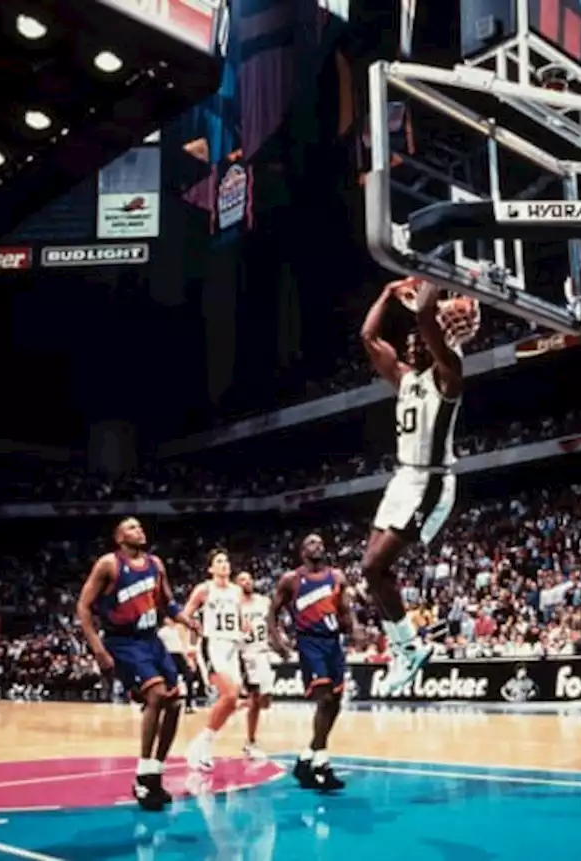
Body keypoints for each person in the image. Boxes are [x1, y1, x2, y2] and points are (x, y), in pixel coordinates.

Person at [358, 276, 478, 693]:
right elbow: (368, 335)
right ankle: (405, 648)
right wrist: (386, 293)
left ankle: (409, 648)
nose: (411, 344)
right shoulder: (406, 378)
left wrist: (434, 274)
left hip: (431, 481)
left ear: (436, 343)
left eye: (418, 340)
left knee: (376, 567)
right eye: (409, 341)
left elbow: (426, 315)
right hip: (403, 477)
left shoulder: (450, 375)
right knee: (369, 573)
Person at [76, 517, 195, 811]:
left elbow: (168, 602)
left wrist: (186, 620)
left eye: (140, 526)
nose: (139, 530)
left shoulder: (155, 564)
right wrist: (98, 649)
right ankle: (142, 772)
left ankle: (155, 770)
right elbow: (83, 605)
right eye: (131, 527)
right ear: (118, 538)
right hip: (123, 642)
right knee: (155, 695)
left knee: (176, 702)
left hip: (152, 640)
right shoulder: (109, 564)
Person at [270, 533, 360, 791]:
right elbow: (272, 611)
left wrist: (354, 630)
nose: (317, 545)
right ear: (301, 551)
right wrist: (277, 638)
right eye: (310, 542)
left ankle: (306, 757)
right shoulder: (291, 579)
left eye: (321, 542)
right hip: (309, 642)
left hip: (333, 643)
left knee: (336, 703)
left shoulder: (337, 577)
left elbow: (344, 611)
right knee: (325, 699)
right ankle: (321, 762)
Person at [182, 549, 245, 771]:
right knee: (229, 694)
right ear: (210, 569)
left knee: (232, 702)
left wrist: (244, 631)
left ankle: (202, 743)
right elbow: (185, 614)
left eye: (226, 560)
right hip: (213, 645)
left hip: (233, 647)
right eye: (219, 561)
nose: (224, 564)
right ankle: (202, 745)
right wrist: (189, 643)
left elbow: (240, 619)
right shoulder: (204, 589)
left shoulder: (237, 591)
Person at [236, 570, 275, 760]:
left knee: (265, 701)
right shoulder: (234, 606)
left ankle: (237, 704)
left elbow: (272, 623)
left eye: (249, 578)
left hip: (263, 653)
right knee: (256, 697)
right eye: (243, 579)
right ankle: (250, 742)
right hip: (245, 655)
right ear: (236, 584)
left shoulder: (263, 601)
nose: (247, 582)